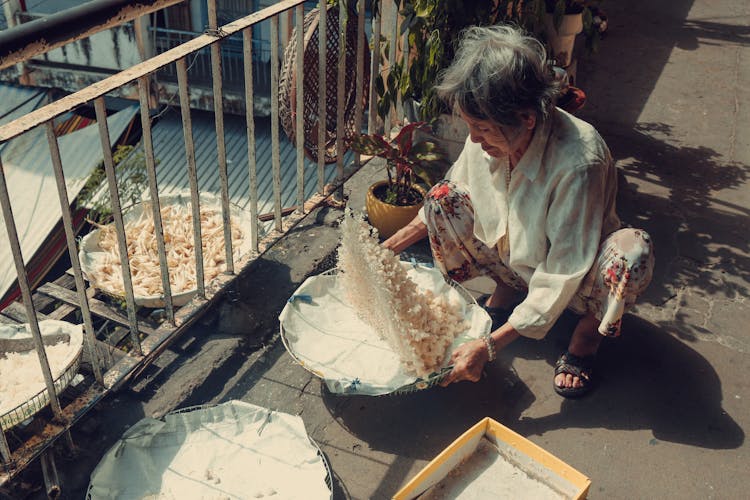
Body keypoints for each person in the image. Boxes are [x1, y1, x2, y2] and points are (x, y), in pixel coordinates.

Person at [383, 25, 654, 398]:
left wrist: (488, 347)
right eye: (469, 126)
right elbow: (443, 198)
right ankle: (507, 291)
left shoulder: (579, 161)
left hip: (578, 275)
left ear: (527, 118)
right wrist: (383, 251)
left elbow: (563, 270)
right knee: (443, 196)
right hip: (514, 257)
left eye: (481, 129)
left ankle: (585, 338)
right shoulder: (490, 137)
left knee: (632, 254)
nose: (473, 139)